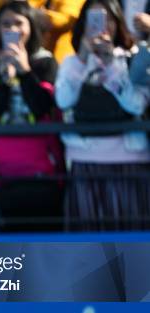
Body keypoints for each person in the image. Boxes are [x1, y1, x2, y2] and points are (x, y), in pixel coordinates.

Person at [55, 0, 150, 230]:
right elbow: (64, 100)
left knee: (131, 250)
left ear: (117, 22)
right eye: (94, 18)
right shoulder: (71, 62)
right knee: (88, 253)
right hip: (85, 162)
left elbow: (136, 106)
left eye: (107, 17)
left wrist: (111, 65)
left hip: (129, 162)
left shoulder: (134, 58)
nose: (102, 24)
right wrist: (82, 59)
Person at [0, 0, 64, 231]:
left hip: (43, 170)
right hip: (2, 171)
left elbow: (43, 107)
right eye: (5, 24)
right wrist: (4, 79)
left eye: (18, 23)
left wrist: (24, 72)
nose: (12, 30)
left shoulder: (46, 61)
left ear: (31, 27)